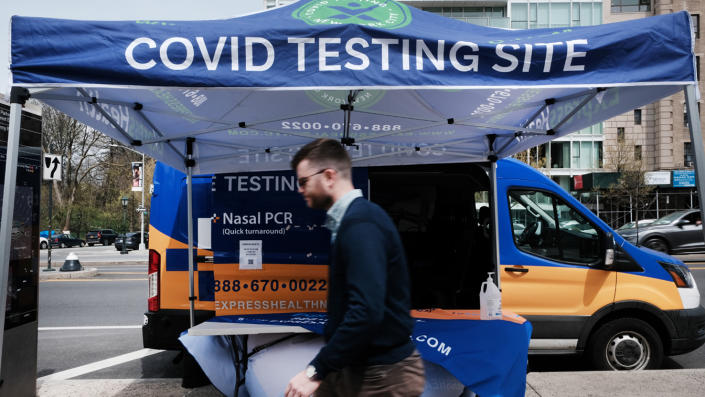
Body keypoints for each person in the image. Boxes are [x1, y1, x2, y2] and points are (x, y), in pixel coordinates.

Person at [285, 138, 425, 397]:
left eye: (303, 181)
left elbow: (366, 312)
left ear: (328, 176)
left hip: (383, 376)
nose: (300, 189)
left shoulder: (361, 224)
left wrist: (315, 370)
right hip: (358, 368)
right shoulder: (351, 221)